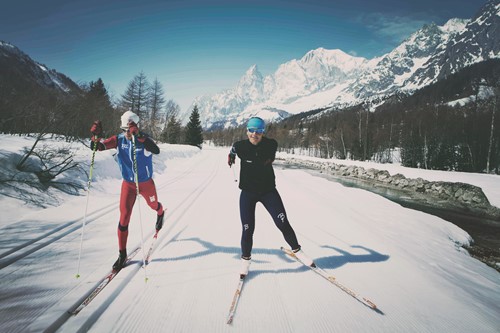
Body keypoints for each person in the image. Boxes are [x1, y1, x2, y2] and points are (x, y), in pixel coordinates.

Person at [228, 116, 315, 276]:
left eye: (259, 131)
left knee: (282, 223)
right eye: (252, 131)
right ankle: (245, 261)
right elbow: (233, 150)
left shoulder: (271, 145)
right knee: (247, 229)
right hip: (248, 193)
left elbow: (267, 157)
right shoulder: (239, 146)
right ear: (247, 131)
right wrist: (231, 155)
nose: (255, 134)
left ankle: (298, 251)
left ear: (263, 132)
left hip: (268, 192)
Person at [90, 111, 165, 271]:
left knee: (153, 206)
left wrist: (142, 138)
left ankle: (160, 212)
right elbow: (97, 147)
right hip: (129, 185)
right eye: (125, 130)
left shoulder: (144, 140)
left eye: (130, 129)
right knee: (124, 217)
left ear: (136, 127)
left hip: (145, 184)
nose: (127, 133)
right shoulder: (119, 140)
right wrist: (96, 136)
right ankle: (122, 254)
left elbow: (156, 150)